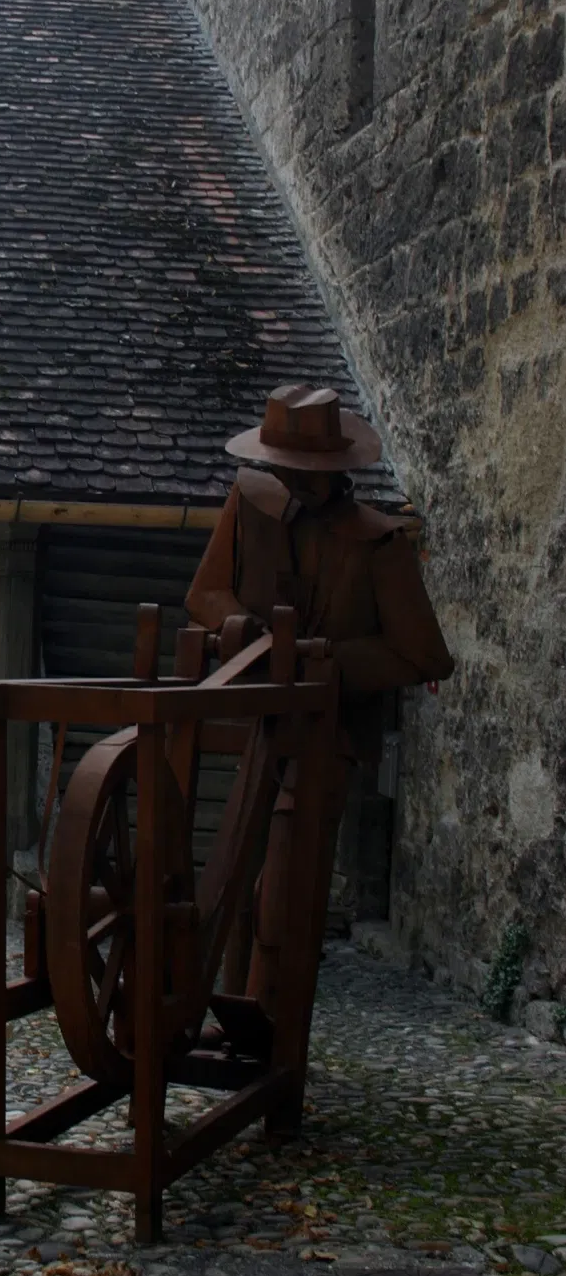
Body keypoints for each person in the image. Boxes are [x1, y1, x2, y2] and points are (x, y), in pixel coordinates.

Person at [185, 382, 453, 1013]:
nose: (292, 483)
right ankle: (224, 1005)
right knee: (232, 872)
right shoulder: (250, 505)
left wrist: (328, 658)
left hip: (326, 734)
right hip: (258, 718)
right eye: (284, 469)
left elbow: (425, 655)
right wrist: (240, 628)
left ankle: (269, 1020)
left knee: (285, 885)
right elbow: (205, 594)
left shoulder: (378, 544)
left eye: (304, 473)